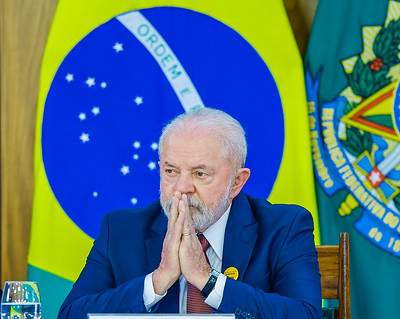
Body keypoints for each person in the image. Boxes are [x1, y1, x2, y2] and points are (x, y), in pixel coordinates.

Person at [58, 107, 321, 319]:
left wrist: (208, 281)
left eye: (200, 173)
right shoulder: (121, 230)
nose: (182, 189)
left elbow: (305, 315)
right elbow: (71, 314)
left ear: (237, 182)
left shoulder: (284, 227)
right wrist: (157, 281)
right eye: (171, 171)